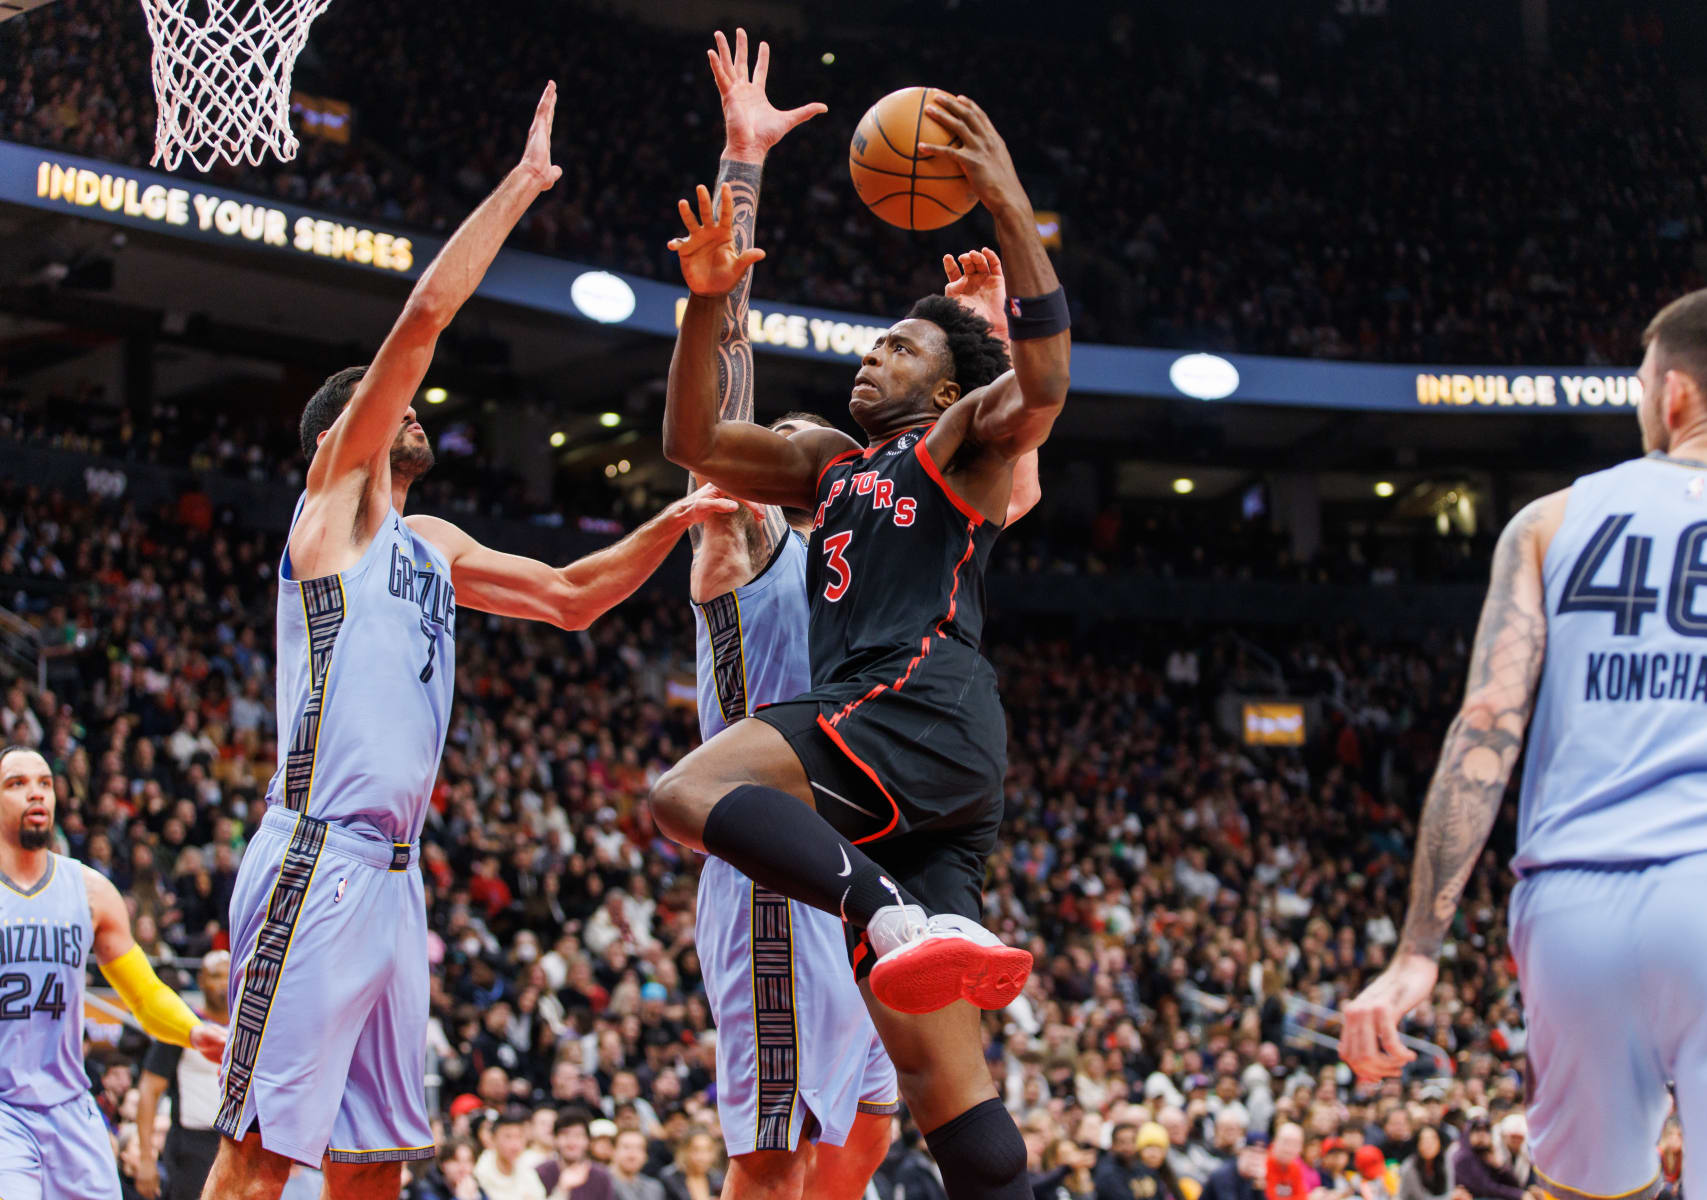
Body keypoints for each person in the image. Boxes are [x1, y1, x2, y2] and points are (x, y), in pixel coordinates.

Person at [199, 83, 735, 1200]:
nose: (415, 406)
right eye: (393, 403)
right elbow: (421, 321)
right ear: (353, 431)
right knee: (256, 1160)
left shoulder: (432, 541)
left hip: (396, 886)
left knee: (375, 1170)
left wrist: (673, 519)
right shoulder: (334, 510)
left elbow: (572, 597)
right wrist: (523, 185)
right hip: (318, 857)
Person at [653, 84, 1070, 1200]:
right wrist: (705, 300)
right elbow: (698, 429)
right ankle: (925, 917)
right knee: (948, 1094)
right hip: (892, 789)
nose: (867, 356)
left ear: (940, 388)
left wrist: (1008, 225)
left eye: (897, 344)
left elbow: (1037, 394)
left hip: (891, 728)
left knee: (681, 794)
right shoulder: (813, 483)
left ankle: (889, 912)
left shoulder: (947, 450)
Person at [1341, 284, 1707, 1199]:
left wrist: (1419, 951)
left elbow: (1485, 735)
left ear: (1672, 394)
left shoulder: (1549, 521)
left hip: (1571, 908)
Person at [681, 32, 894, 1200]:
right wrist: (744, 167)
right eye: (806, 444)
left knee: (861, 1137)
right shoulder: (743, 534)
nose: (827, 449)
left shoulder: (862, 556)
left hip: (848, 870)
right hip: (766, 866)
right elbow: (728, 388)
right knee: (771, 1162)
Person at [0, 745, 227, 1200]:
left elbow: (143, 993)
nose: (36, 794)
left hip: (69, 1104)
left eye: (44, 783)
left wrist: (192, 1031)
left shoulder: (89, 890)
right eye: (17, 784)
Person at [137, 949, 232, 1200]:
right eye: (215, 976)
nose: (222, 983)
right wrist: (146, 1158)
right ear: (200, 980)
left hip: (238, 1143)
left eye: (228, 975)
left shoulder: (247, 1027)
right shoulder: (185, 1025)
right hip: (191, 1145)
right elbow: (149, 1089)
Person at [536, 1109, 612, 1200]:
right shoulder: (540, 1173)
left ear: (588, 1141)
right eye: (565, 1135)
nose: (572, 1142)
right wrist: (562, 1189)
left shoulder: (602, 1176)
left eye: (578, 1135)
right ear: (555, 1139)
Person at [476, 1108, 547, 1200]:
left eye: (519, 1136)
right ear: (493, 1139)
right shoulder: (481, 1170)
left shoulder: (527, 1168)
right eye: (508, 1137)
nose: (515, 1144)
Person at [655, 1128, 723, 1200]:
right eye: (696, 1150)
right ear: (685, 1151)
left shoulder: (717, 1178)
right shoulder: (669, 1178)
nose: (703, 1157)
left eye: (708, 1150)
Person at [1394, 1127, 1459, 1200]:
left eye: (1432, 1140)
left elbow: (1449, 1189)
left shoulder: (1445, 1161)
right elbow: (1421, 1198)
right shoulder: (1409, 1167)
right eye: (1424, 1141)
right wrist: (1451, 1196)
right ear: (1418, 1144)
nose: (1429, 1145)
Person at [608, 1131, 666, 1200]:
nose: (632, 1154)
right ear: (613, 1151)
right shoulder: (600, 1183)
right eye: (626, 1147)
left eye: (639, 1148)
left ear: (646, 1156)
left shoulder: (654, 1188)